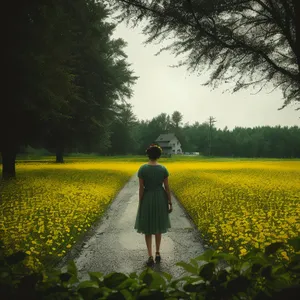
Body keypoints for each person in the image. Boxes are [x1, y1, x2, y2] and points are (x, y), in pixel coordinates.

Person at [134, 143, 172, 267]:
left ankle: (150, 255)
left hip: (147, 197)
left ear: (148, 155)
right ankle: (158, 253)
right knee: (158, 226)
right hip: (160, 198)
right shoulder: (163, 169)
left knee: (148, 228)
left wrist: (141, 202)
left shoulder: (142, 169)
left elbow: (141, 188)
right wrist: (170, 201)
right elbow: (166, 187)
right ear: (159, 156)